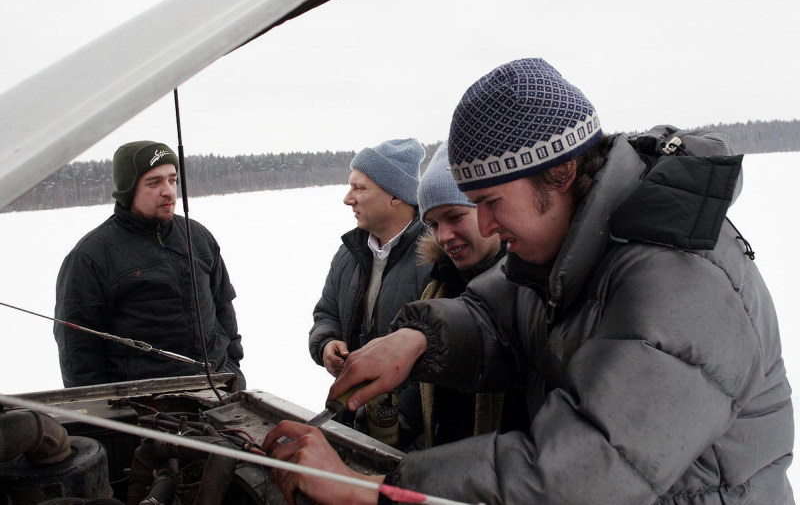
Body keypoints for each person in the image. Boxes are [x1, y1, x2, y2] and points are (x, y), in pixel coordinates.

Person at [264, 59, 793, 504]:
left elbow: (581, 475)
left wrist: (373, 491)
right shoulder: (572, 250)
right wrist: (418, 339)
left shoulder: (678, 281)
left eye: (491, 202)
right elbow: (499, 316)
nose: (485, 225)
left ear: (559, 173)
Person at [54, 141, 245, 389]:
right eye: (154, 183)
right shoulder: (91, 256)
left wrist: (233, 368)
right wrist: (102, 407)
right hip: (144, 402)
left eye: (172, 180)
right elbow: (77, 350)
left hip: (218, 388)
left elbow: (223, 306)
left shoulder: (197, 236)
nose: (168, 191)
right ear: (128, 189)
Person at [409, 141, 527, 448]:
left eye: (455, 216)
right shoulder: (436, 289)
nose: (443, 236)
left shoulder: (530, 290)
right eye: (433, 224)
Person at [308, 139, 430, 377]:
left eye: (360, 188)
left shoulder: (435, 256)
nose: (347, 199)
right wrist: (326, 342)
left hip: (408, 401)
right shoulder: (348, 254)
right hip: (356, 397)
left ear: (395, 196)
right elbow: (327, 313)